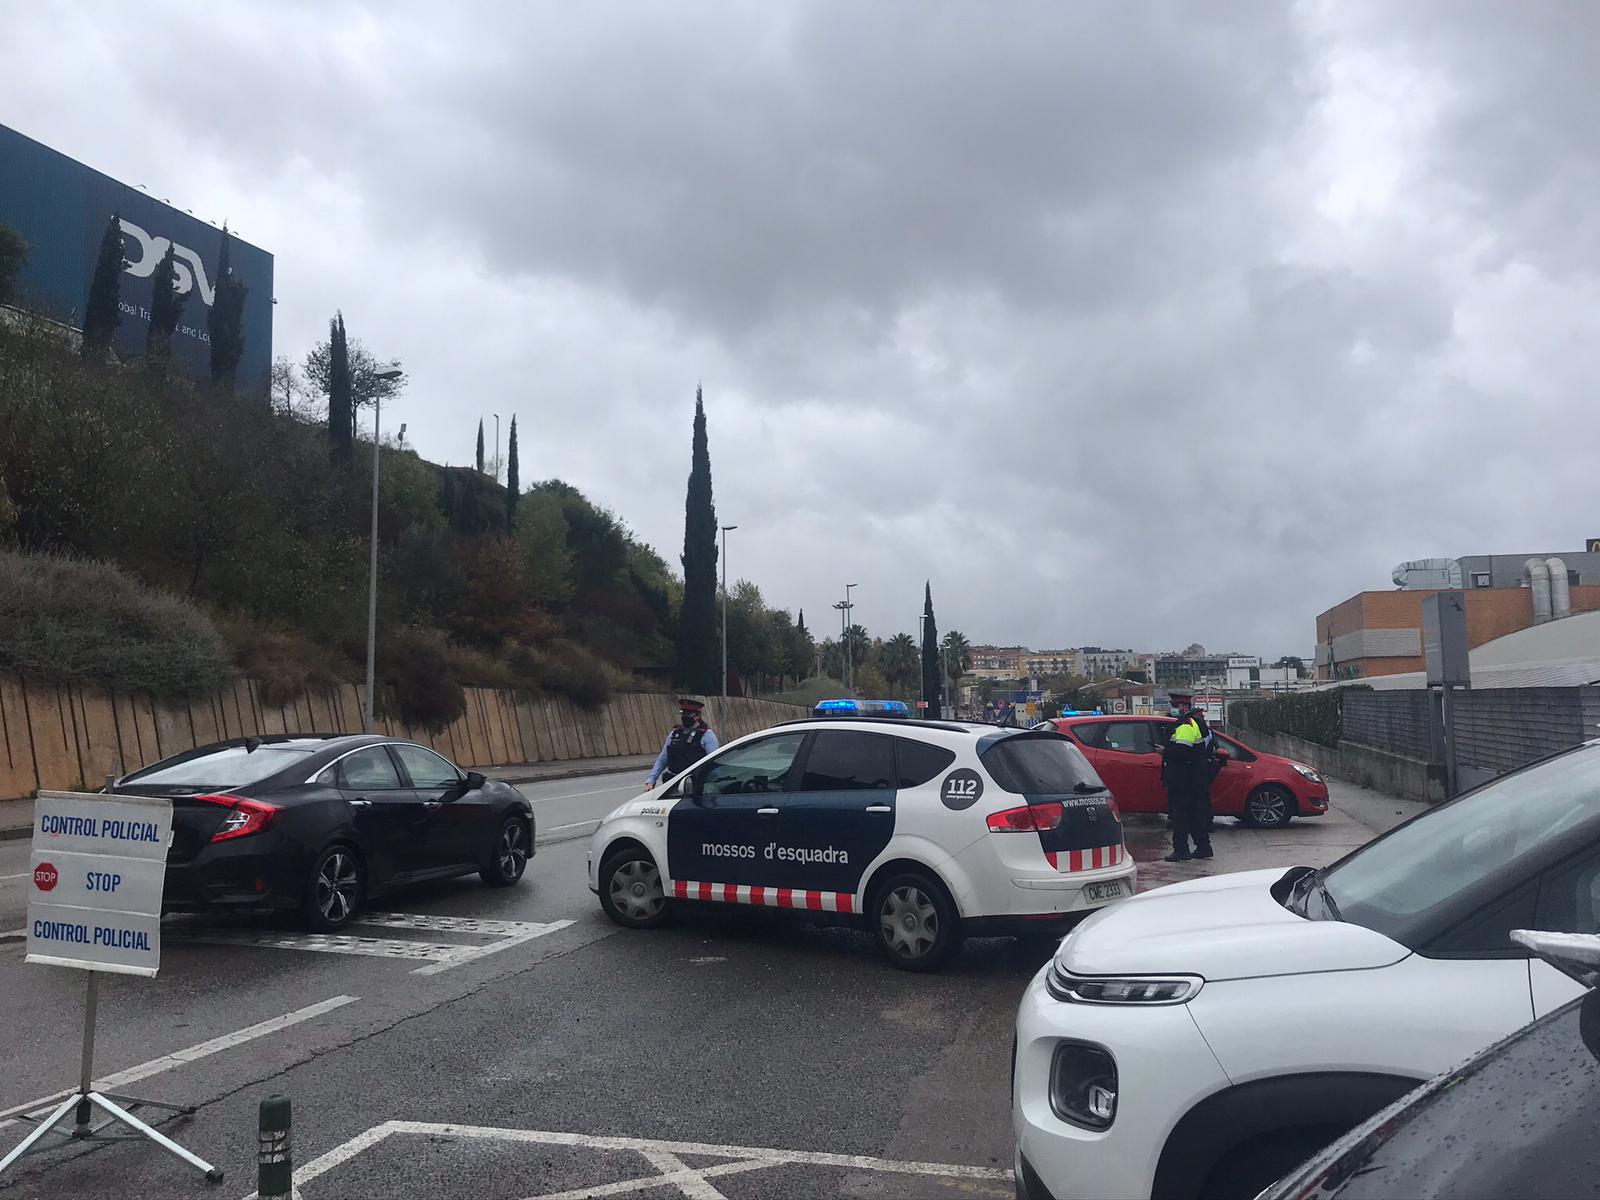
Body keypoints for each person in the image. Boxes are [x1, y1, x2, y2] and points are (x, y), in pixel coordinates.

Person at [1161, 704, 1213, 861]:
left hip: (1184, 780)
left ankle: (1181, 850)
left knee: (1180, 816)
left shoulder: (1185, 725)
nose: (1171, 709)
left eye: (1174, 706)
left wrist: (1164, 751)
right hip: (1192, 778)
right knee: (1194, 815)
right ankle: (1203, 847)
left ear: (1182, 707)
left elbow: (1182, 751)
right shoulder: (1192, 724)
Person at [645, 698, 719, 790]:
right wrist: (651, 780)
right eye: (683, 713)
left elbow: (714, 762)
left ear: (697, 716)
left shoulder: (706, 735)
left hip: (694, 785)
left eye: (689, 714)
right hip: (672, 783)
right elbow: (663, 758)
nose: (685, 717)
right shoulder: (674, 733)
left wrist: (714, 785)